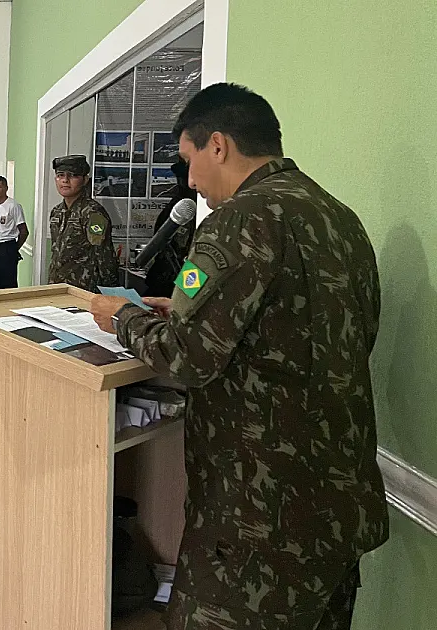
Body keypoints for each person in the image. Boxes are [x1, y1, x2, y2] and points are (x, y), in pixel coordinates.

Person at [88, 83, 387, 630]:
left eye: (189, 161)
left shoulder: (239, 219)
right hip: (339, 507)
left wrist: (122, 316)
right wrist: (187, 310)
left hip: (258, 519)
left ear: (218, 145)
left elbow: (184, 357)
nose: (191, 182)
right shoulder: (340, 219)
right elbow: (323, 333)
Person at [47, 156, 119, 292]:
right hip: (59, 288)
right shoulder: (56, 212)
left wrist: (111, 293)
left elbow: (104, 256)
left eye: (73, 175)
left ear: (85, 180)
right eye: (60, 175)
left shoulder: (93, 213)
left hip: (84, 290)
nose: (65, 180)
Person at [144, 159, 197, 298]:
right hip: (164, 278)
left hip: (183, 281)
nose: (186, 183)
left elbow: (197, 259)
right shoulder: (179, 207)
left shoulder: (200, 210)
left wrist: (185, 294)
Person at [0, 176, 29, 290]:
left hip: (7, 247)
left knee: (8, 284)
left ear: (6, 188)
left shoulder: (13, 206)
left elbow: (24, 231)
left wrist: (14, 249)